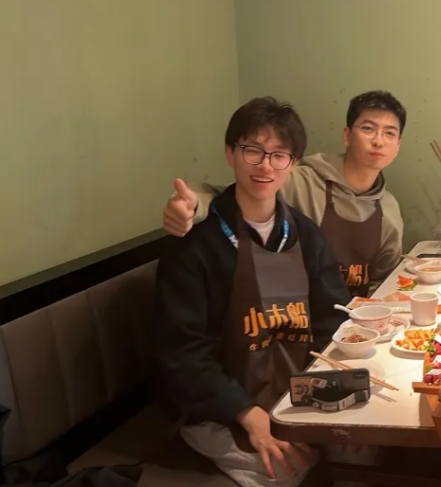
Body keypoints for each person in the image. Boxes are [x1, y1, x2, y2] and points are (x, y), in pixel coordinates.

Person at [155, 98, 351, 487]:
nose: (265, 165)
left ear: (293, 164)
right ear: (230, 153)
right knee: (283, 472)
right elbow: (182, 353)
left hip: (296, 396)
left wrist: (337, 389)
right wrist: (246, 412)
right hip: (221, 408)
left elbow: (333, 320)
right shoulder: (195, 243)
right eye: (253, 151)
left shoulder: (306, 234)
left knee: (364, 448)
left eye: (279, 155)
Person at [164, 91, 406, 299]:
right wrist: (190, 205)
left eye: (389, 133)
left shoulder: (390, 209)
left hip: (348, 328)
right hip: (290, 311)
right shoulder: (299, 180)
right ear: (346, 136)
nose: (378, 141)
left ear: (398, 146)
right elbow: (234, 193)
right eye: (368, 128)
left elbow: (384, 283)